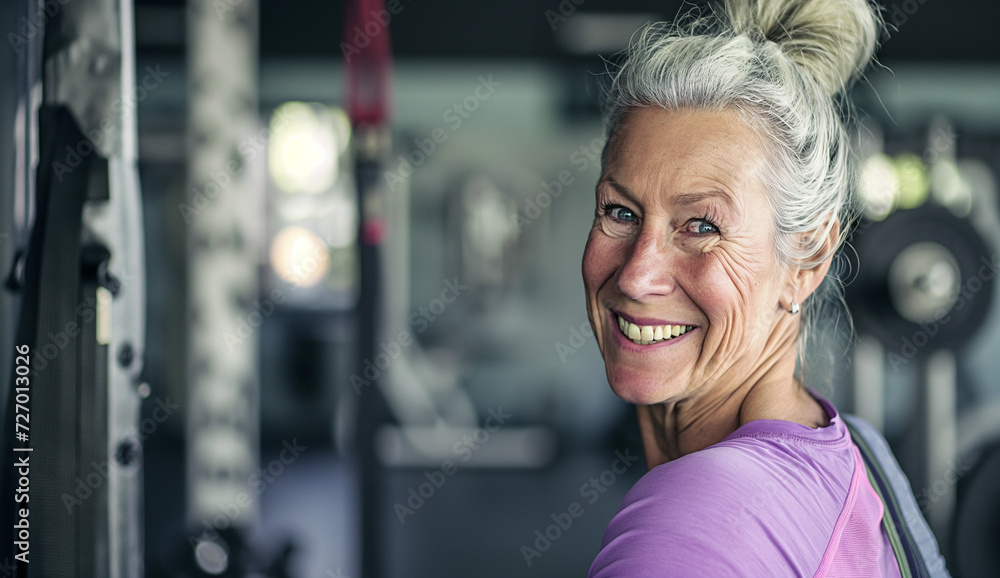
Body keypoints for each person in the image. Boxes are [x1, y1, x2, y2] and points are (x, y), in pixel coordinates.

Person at [581, 0, 950, 575]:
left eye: (701, 227)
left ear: (807, 257)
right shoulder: (859, 452)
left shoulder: (691, 522)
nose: (636, 274)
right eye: (621, 212)